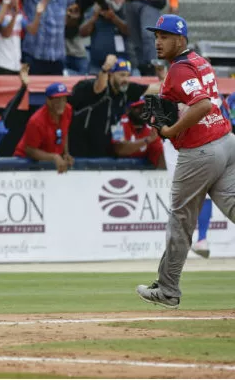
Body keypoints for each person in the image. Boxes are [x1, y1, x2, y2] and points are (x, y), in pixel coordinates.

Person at [136, 15, 235, 309]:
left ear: (180, 40)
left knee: (180, 221)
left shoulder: (179, 69)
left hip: (200, 150)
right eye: (156, 36)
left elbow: (202, 104)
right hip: (226, 142)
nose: (158, 41)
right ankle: (167, 287)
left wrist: (170, 130)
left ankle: (167, 289)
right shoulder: (199, 61)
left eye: (164, 36)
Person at [69, 55, 162, 158]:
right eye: (121, 75)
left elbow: (158, 88)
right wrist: (105, 68)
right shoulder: (90, 86)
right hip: (80, 150)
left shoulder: (126, 89)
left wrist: (163, 74)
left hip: (104, 150)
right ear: (110, 75)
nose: (126, 79)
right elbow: (98, 89)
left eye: (128, 75)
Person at [14, 82, 74, 174]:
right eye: (57, 99)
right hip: (26, 162)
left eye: (64, 99)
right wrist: (54, 157)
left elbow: (64, 132)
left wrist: (65, 153)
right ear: (48, 101)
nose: (61, 103)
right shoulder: (36, 121)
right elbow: (30, 150)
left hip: (50, 160)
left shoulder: (68, 110)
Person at [80, 0, 129, 74]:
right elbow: (82, 32)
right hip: (97, 65)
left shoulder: (126, 9)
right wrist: (94, 17)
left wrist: (114, 18)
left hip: (122, 64)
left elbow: (130, 31)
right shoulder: (95, 9)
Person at [111, 97, 165, 168]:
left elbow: (160, 156)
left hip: (141, 174)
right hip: (114, 170)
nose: (142, 111)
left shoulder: (151, 129)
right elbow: (119, 149)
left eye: (145, 108)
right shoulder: (118, 123)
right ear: (128, 110)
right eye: (137, 107)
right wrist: (147, 140)